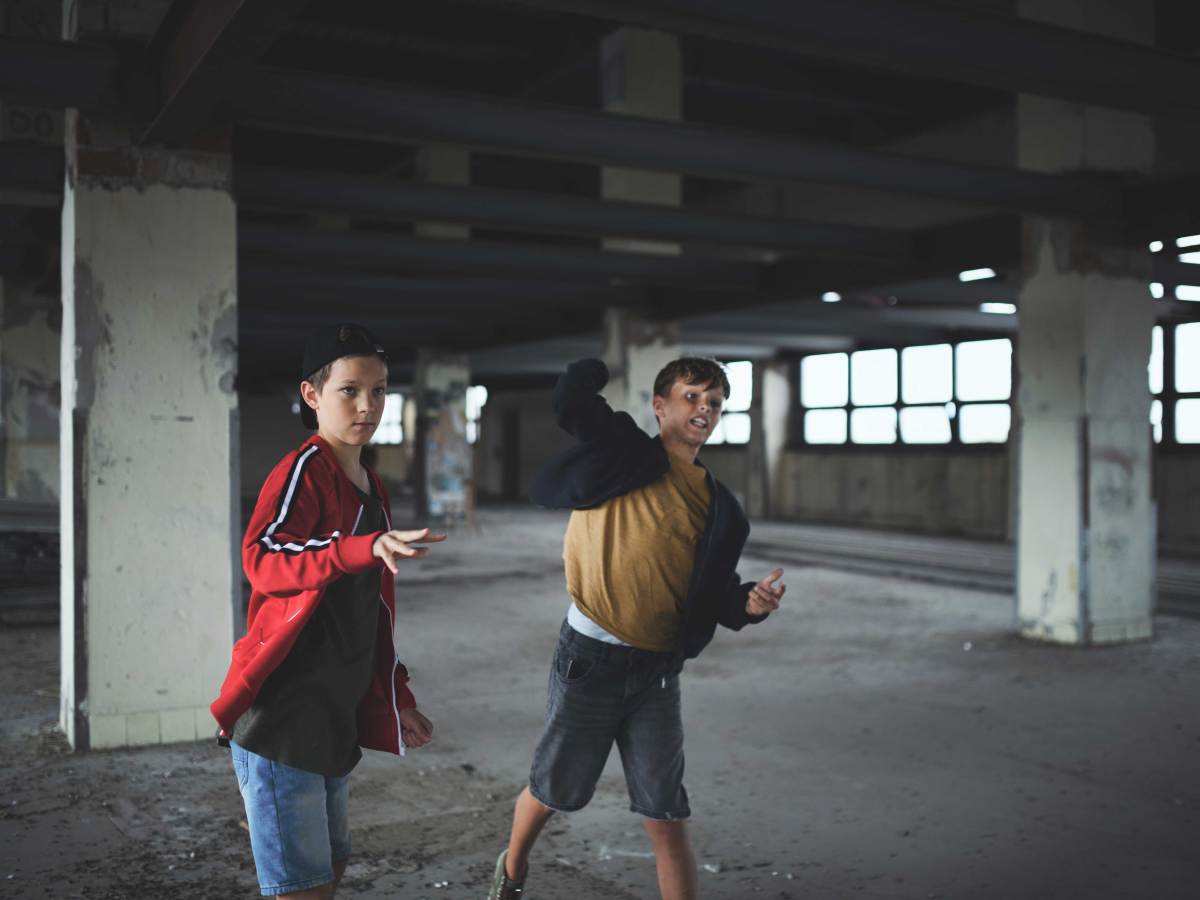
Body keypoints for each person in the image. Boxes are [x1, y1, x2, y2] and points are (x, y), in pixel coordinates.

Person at [489, 357, 786, 900]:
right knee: (554, 788)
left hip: (657, 673)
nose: (705, 409)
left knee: (665, 811)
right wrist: (595, 369)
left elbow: (716, 594)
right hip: (590, 660)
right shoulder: (621, 451)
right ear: (660, 405)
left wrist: (751, 604)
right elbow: (572, 404)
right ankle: (511, 871)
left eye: (715, 402)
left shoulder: (723, 510)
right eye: (693, 396)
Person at [211, 323, 445, 899]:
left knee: (332, 866)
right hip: (282, 723)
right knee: (302, 887)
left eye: (380, 390)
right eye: (349, 390)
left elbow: (372, 616)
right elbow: (262, 558)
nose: (368, 406)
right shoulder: (303, 471)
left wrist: (397, 693)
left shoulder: (373, 488)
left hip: (331, 720)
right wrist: (359, 548)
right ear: (312, 396)